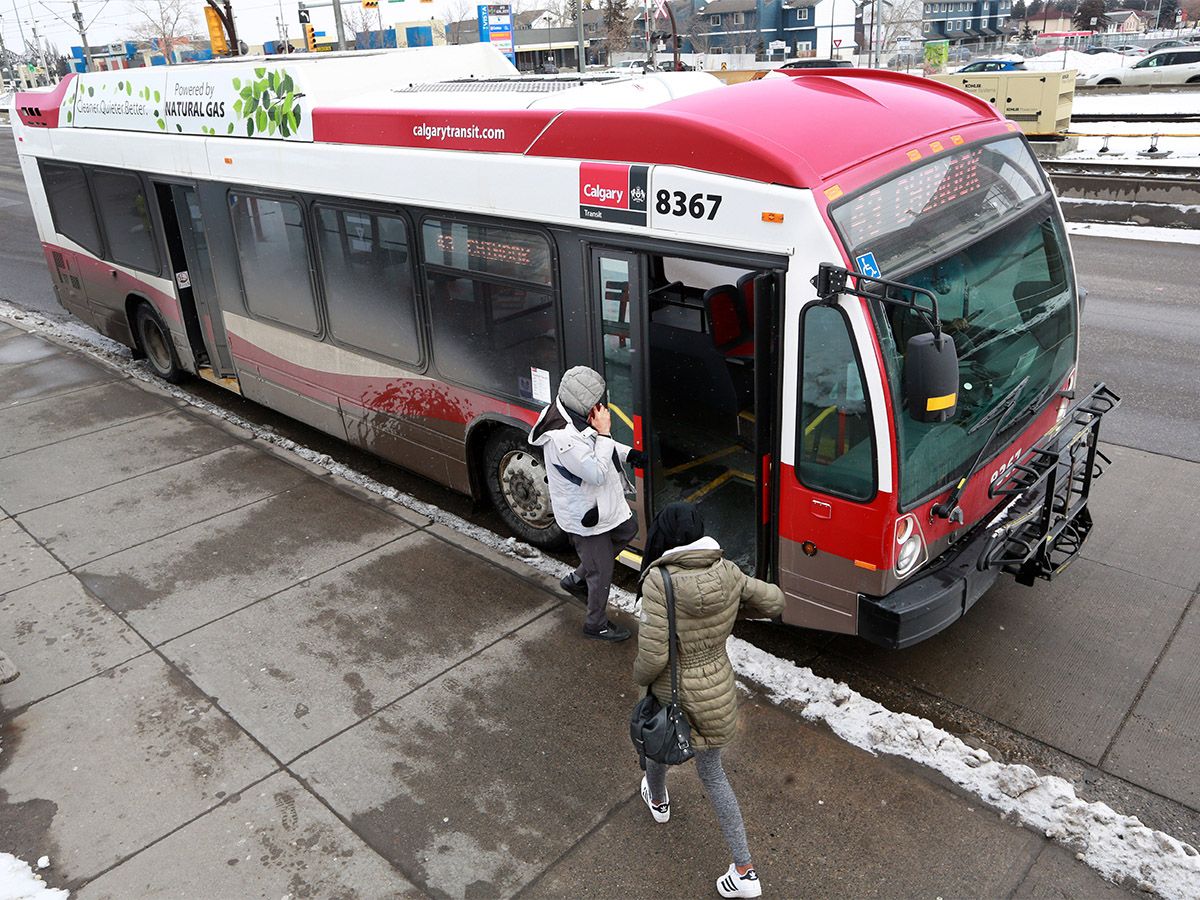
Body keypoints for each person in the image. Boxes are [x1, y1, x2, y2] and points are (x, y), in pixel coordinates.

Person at [633, 502, 784, 899]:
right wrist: (729, 612)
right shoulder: (727, 570)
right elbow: (774, 602)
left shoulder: (660, 580)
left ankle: (658, 800)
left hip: (674, 690)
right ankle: (745, 870)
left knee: (658, 742)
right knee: (713, 775)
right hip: (718, 689)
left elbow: (653, 656)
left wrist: (640, 681)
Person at [529, 366, 645, 642]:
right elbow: (595, 471)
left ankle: (577, 578)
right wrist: (605, 432)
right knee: (601, 573)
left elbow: (593, 445)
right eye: (596, 401)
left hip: (600, 505)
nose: (601, 406)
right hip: (586, 516)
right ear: (582, 403)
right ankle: (596, 624)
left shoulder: (573, 416)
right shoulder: (563, 438)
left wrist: (628, 454)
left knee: (628, 528)